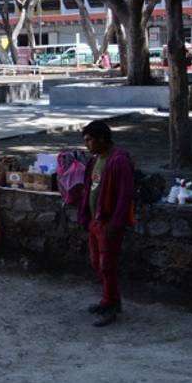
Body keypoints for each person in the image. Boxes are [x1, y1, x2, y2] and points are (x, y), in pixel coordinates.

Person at [79, 120, 135, 327]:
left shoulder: (119, 160)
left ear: (102, 139)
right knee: (97, 263)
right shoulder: (95, 160)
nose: (87, 145)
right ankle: (108, 299)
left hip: (108, 223)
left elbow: (125, 195)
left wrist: (115, 225)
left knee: (107, 265)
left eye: (89, 140)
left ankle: (112, 306)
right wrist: (85, 215)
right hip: (95, 221)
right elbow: (89, 189)